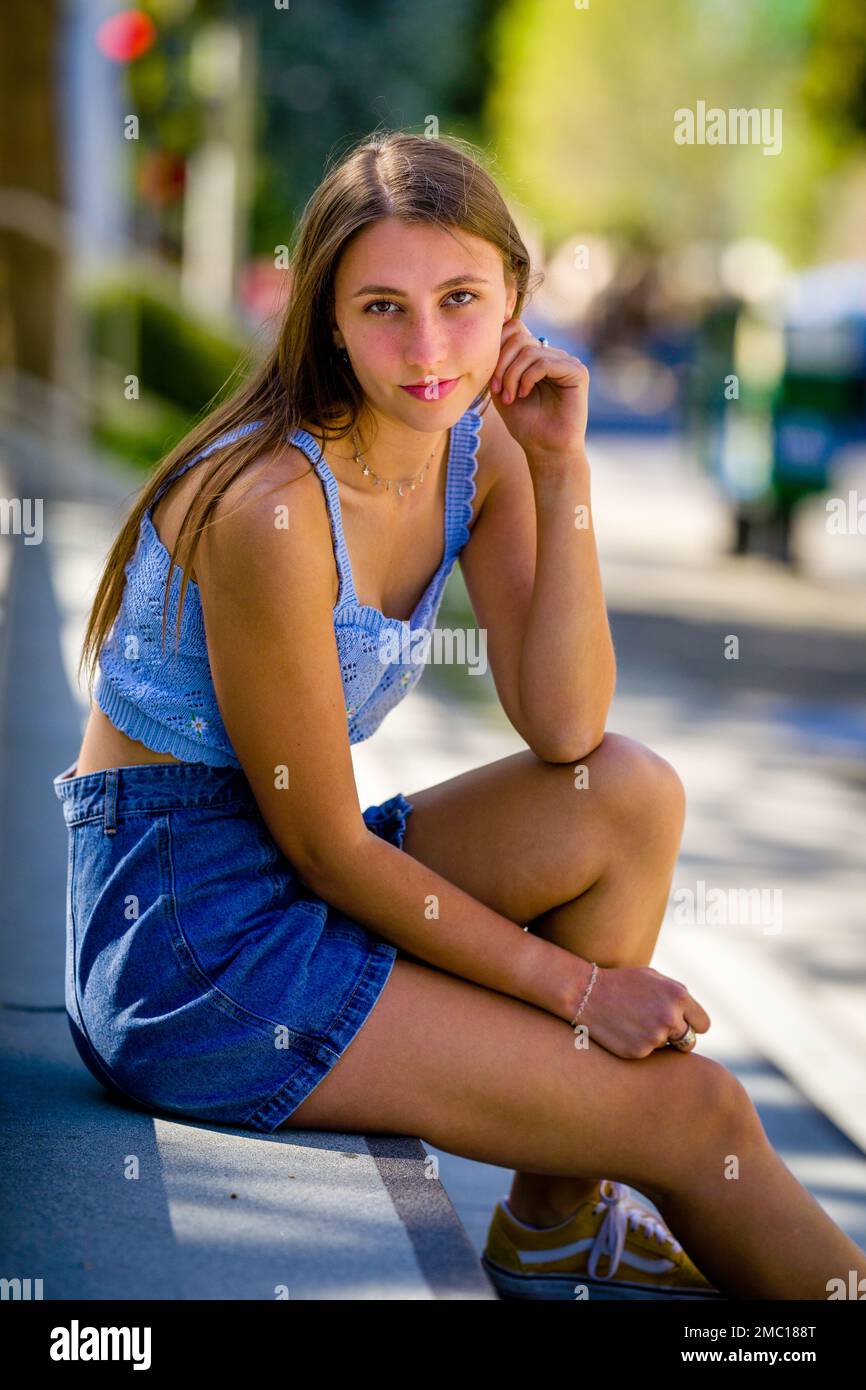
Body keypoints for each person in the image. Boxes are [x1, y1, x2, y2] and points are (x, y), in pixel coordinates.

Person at [54, 129, 865, 1302]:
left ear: (515, 303)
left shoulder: (474, 447)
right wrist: (581, 997)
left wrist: (559, 472)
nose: (427, 348)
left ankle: (549, 1218)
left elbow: (565, 730)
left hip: (291, 869)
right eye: (382, 305)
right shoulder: (269, 505)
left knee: (628, 795)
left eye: (460, 300)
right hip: (187, 938)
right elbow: (327, 849)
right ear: (326, 316)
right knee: (695, 1112)